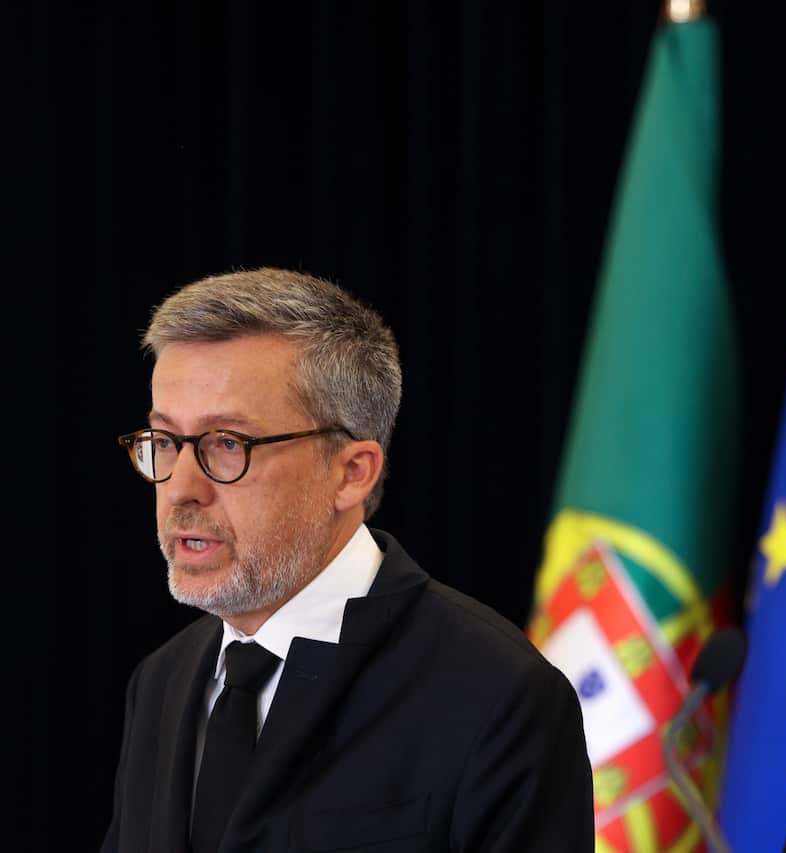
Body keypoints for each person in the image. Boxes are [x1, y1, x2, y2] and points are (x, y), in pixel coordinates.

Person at [102, 268, 593, 852]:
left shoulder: (498, 694)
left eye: (227, 443)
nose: (181, 487)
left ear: (352, 472)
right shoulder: (162, 680)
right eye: (163, 442)